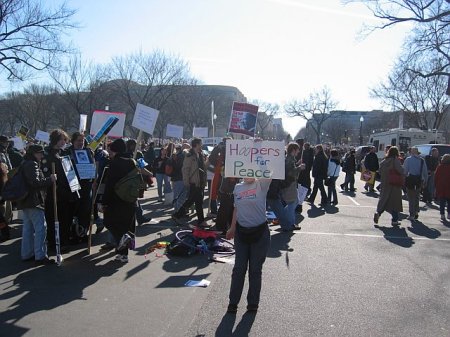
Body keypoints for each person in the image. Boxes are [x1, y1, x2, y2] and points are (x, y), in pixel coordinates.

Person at [226, 176, 271, 313]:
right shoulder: (238, 187)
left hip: (260, 233)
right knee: (239, 269)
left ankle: (253, 303)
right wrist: (232, 228)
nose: (248, 174)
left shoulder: (262, 184)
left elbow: (271, 164)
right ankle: (233, 302)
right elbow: (236, 209)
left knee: (255, 270)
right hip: (241, 232)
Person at [17, 145, 57, 264]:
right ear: (34, 153)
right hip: (33, 201)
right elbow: (36, 182)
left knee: (28, 228)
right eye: (40, 153)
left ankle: (27, 253)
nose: (42, 155)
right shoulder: (31, 164)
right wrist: (51, 179)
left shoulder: (25, 162)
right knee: (41, 228)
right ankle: (39, 255)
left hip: (26, 200)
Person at [102, 139, 137, 263]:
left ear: (115, 150)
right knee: (125, 226)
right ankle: (123, 255)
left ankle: (123, 242)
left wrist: (104, 201)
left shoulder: (114, 163)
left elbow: (110, 184)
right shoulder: (132, 161)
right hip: (130, 199)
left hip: (116, 200)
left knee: (109, 222)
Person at [42, 129, 74, 252]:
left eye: (65, 140)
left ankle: (64, 241)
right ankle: (53, 242)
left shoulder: (64, 153)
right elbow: (46, 173)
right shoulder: (47, 154)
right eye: (62, 140)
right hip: (53, 192)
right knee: (52, 219)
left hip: (65, 192)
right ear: (56, 140)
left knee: (65, 219)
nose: (64, 142)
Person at [172, 138, 207, 226]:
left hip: (199, 182)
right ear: (196, 145)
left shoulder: (200, 154)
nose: (201, 145)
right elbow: (185, 169)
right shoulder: (189, 155)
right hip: (193, 182)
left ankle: (178, 215)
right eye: (200, 144)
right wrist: (186, 182)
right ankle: (200, 220)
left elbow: (202, 168)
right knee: (193, 201)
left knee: (195, 201)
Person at [373, 146, 404, 226]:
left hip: (385, 183)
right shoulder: (395, 160)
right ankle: (394, 220)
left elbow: (379, 171)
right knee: (395, 203)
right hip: (394, 184)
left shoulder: (384, 161)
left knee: (384, 200)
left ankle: (378, 213)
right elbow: (400, 170)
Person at [280, 142, 303, 230]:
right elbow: (289, 172)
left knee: (295, 201)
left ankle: (283, 216)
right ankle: (290, 223)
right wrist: (299, 168)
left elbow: (290, 169)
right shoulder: (289, 159)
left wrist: (297, 165)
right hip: (289, 184)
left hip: (290, 184)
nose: (298, 151)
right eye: (297, 149)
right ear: (293, 150)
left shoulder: (290, 159)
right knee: (292, 203)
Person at [403, 147, 428, 221]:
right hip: (418, 180)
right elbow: (425, 172)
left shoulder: (408, 159)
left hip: (410, 179)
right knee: (417, 196)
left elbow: (405, 171)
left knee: (411, 198)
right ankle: (416, 211)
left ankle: (412, 214)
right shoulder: (422, 160)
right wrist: (425, 181)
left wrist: (404, 179)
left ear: (411, 152)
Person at [434, 154, 450, 221]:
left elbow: (436, 176)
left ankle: (442, 214)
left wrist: (435, 185)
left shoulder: (440, 167)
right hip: (449, 186)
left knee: (442, 201)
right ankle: (449, 214)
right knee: (449, 201)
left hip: (441, 186)